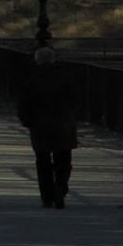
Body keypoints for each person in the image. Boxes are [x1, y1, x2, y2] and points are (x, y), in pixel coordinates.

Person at [17, 46, 80, 208]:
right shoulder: (66, 78)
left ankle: (47, 195)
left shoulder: (31, 81)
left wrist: (27, 121)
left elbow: (24, 105)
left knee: (43, 161)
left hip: (40, 125)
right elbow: (75, 101)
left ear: (37, 61)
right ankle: (61, 185)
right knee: (64, 158)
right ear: (53, 60)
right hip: (63, 124)